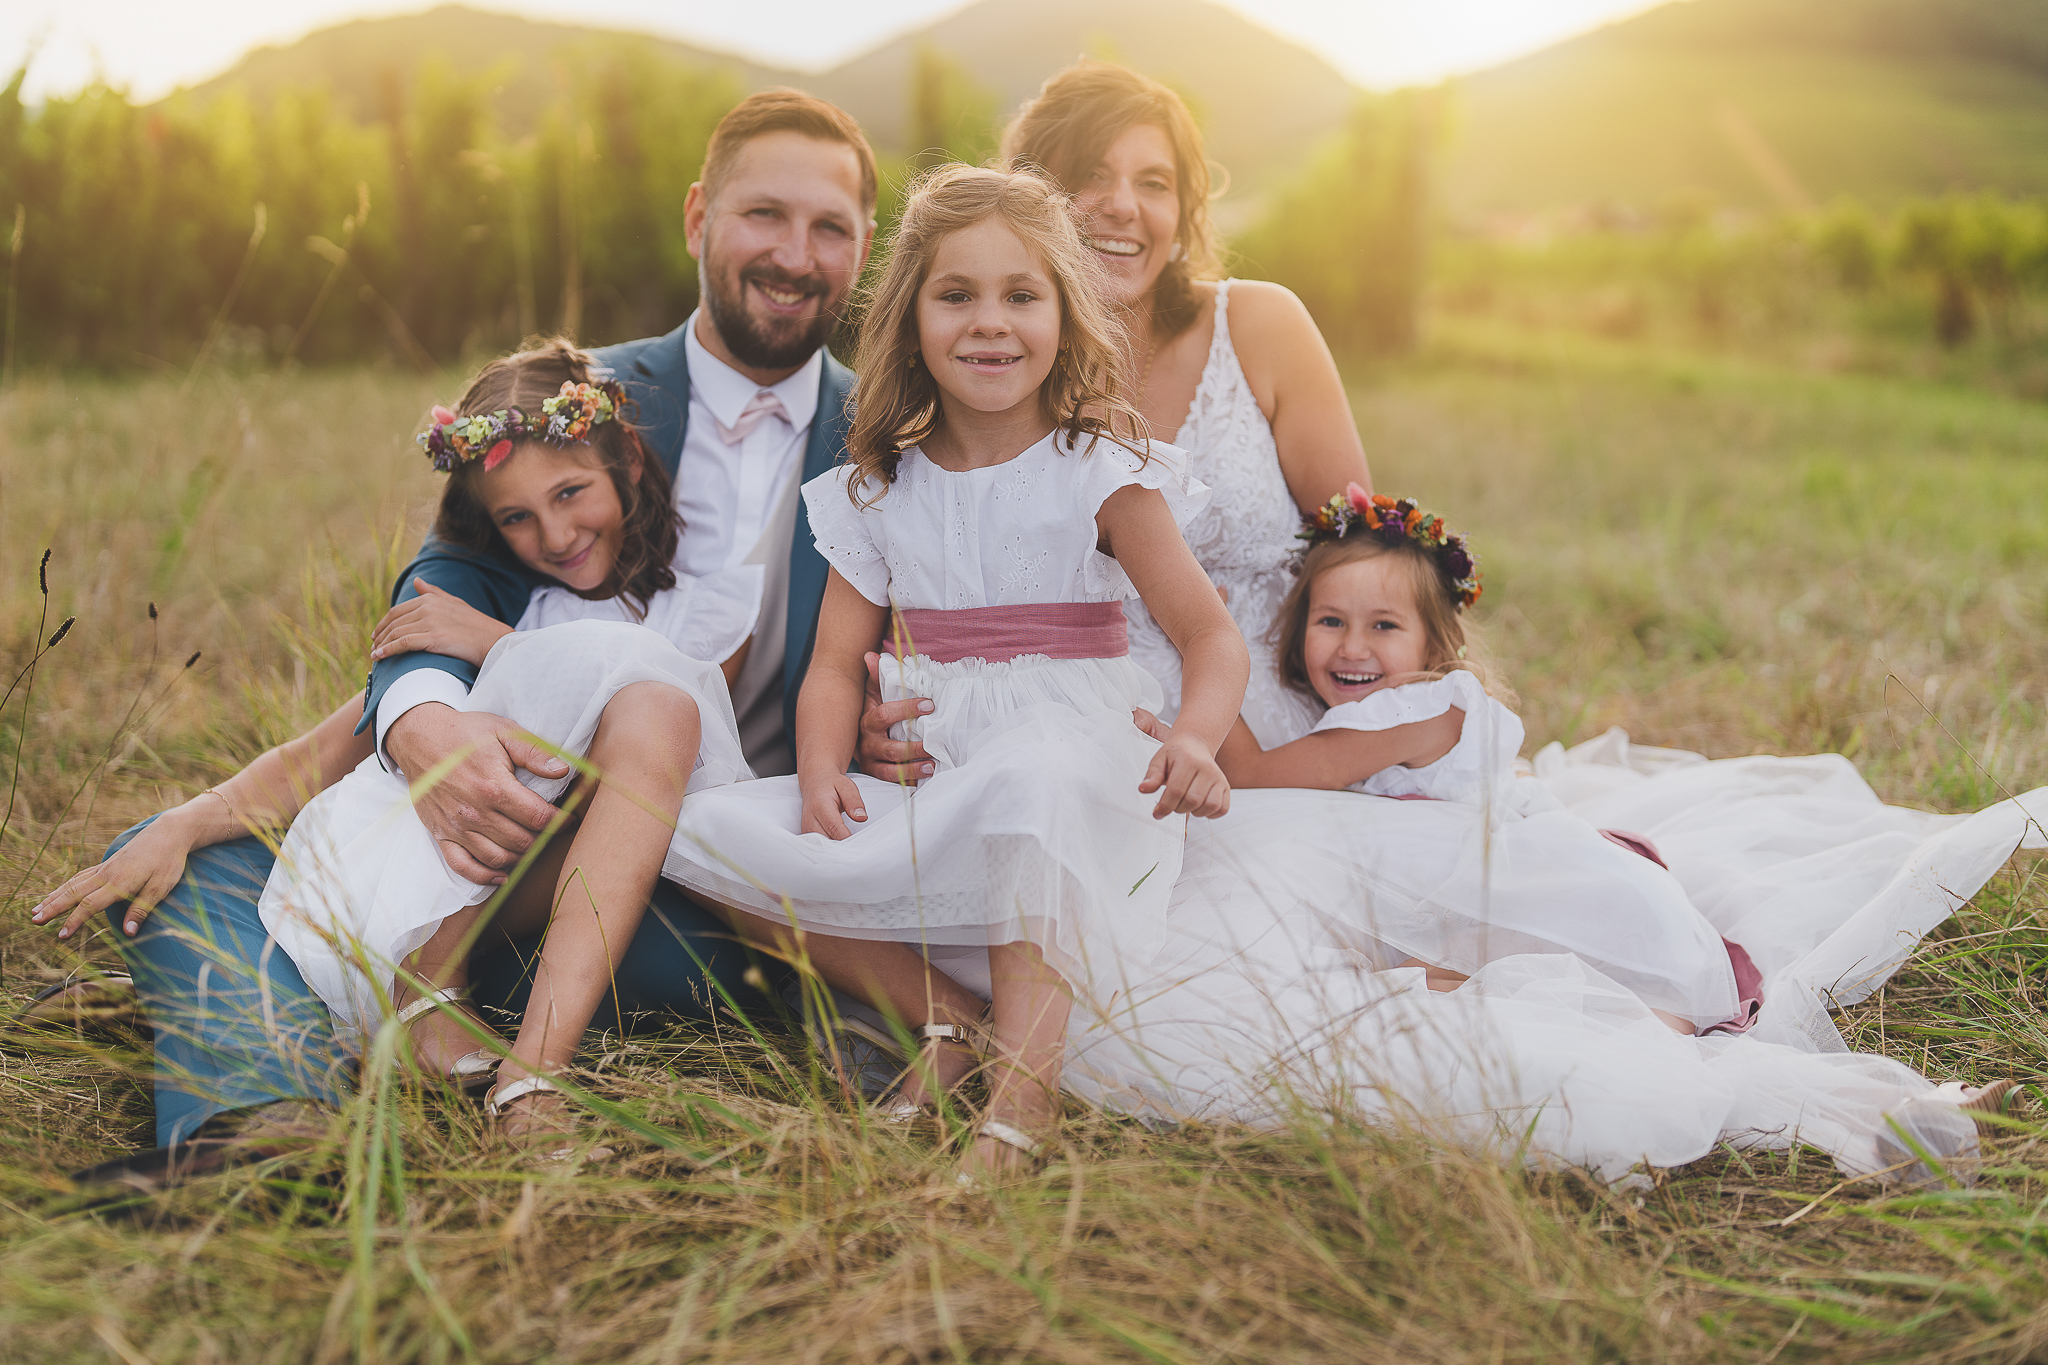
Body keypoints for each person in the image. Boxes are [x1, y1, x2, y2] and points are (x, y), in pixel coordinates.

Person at [27, 87, 880, 1161]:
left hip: (725, 889)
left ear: (861, 249)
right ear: (698, 214)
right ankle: (262, 1127)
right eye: (765, 214)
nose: (795, 254)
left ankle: (338, 1019)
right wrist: (424, 722)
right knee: (173, 862)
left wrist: (900, 715)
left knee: (340, 916)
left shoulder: (896, 429)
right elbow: (441, 594)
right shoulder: (564, 402)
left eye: (830, 228)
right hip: (498, 837)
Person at [657, 163, 1249, 1172]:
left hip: (1079, 765)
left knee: (1029, 781)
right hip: (938, 774)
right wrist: (817, 770)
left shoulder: (1099, 469)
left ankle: (1018, 1114)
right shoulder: (878, 490)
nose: (990, 323)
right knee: (696, 829)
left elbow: (1208, 634)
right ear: (910, 317)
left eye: (1021, 296)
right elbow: (835, 666)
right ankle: (951, 1021)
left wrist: (1195, 733)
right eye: (956, 295)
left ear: (1064, 314)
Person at [257, 349, 756, 1147]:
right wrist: (191, 819)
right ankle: (458, 1010)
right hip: (442, 861)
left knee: (650, 710)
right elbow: (345, 731)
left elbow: (677, 713)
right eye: (516, 517)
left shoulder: (707, 612)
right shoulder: (516, 604)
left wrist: (492, 644)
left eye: (570, 493)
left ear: (625, 460)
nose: (553, 535)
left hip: (561, 860)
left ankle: (528, 1073)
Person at [1143, 485, 1753, 1034]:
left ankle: (1651, 1027)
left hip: (1530, 886)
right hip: (1478, 888)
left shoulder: (1416, 712)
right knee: (1434, 979)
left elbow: (1251, 777)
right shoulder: (1399, 709)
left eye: (1384, 625)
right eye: (1330, 621)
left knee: (1451, 988)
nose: (1352, 646)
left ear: (1436, 643)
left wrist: (1200, 641)